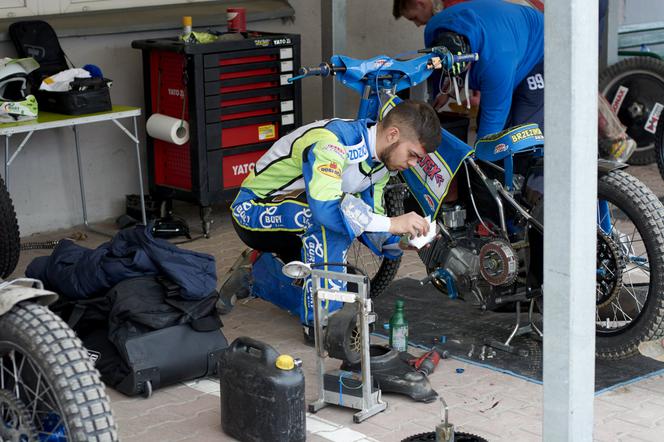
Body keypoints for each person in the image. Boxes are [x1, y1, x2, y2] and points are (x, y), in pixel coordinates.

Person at [228, 100, 441, 335]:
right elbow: (325, 209)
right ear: (392, 134)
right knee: (330, 224)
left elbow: (371, 220)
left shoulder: (381, 164)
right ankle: (322, 327)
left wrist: (401, 241)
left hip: (294, 218)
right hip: (250, 210)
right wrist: (393, 222)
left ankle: (257, 275)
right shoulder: (332, 141)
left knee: (349, 288)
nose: (412, 164)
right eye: (412, 155)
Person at [393, 0, 636, 161]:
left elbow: (490, 126)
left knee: (519, 133)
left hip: (544, 48)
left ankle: (531, 201)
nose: (417, 22)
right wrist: (437, 99)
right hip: (509, 34)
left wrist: (477, 165)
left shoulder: (496, 62)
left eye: (414, 16)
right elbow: (438, 71)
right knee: (504, 130)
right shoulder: (433, 29)